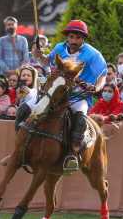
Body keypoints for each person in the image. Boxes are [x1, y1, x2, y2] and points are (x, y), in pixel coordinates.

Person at [32, 19, 107, 171]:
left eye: (77, 38)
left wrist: (96, 87)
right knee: (29, 108)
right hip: (56, 95)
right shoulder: (60, 48)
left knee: (80, 115)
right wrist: (38, 55)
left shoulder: (93, 54)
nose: (73, 41)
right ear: (67, 37)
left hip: (78, 96)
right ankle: (21, 146)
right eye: (71, 37)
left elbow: (103, 75)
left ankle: (73, 152)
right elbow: (47, 62)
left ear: (83, 39)